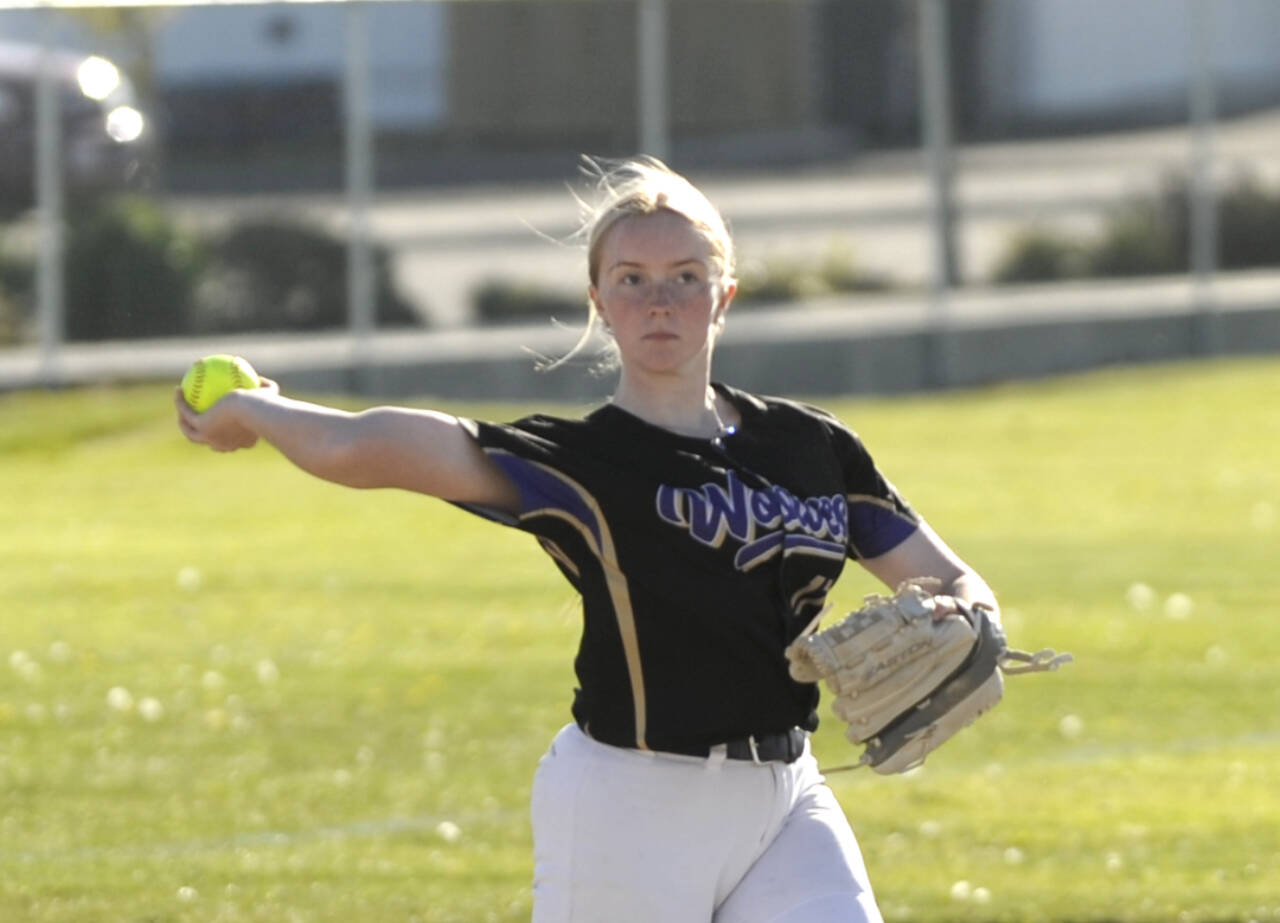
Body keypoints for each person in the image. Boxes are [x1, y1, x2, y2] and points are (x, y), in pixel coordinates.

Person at [175, 156, 1001, 923]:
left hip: (788, 796)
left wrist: (967, 618)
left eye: (686, 277)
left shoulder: (812, 446)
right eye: (632, 280)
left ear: (725, 294)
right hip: (629, 803)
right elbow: (372, 447)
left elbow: (952, 578)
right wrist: (255, 411)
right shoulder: (583, 464)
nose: (660, 301)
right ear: (599, 302)